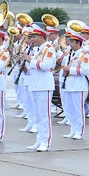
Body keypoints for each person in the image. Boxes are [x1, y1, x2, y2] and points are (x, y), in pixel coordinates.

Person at [25, 24, 56, 152]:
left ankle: (45, 142)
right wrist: (25, 67)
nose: (31, 40)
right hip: (35, 84)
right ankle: (39, 140)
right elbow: (34, 69)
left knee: (44, 116)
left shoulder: (49, 48)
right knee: (37, 115)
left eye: (34, 37)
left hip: (44, 86)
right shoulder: (36, 50)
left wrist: (30, 60)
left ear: (41, 37)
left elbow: (46, 65)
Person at [62, 29, 89, 140]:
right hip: (69, 83)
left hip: (78, 85)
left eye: (72, 42)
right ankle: (73, 129)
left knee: (78, 109)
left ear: (78, 43)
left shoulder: (84, 55)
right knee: (70, 109)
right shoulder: (70, 54)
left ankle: (79, 131)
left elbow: (84, 70)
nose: (69, 44)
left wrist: (70, 69)